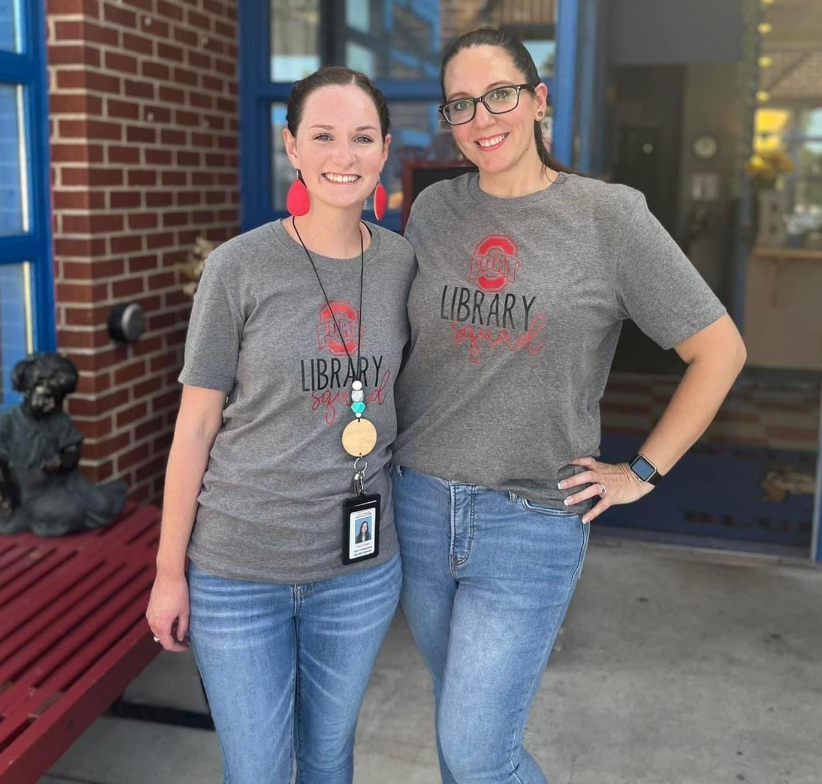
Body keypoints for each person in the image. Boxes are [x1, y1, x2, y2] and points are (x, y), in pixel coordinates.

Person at [391, 28, 747, 784]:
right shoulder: (431, 213)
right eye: (461, 103)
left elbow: (719, 351)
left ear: (537, 99)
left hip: (527, 523)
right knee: (457, 736)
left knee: (479, 756)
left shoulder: (607, 217)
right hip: (418, 505)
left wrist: (642, 472)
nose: (482, 117)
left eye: (500, 94)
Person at [146, 66, 416, 784]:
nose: (343, 155)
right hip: (239, 572)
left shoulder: (401, 264)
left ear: (384, 149)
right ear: (291, 146)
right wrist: (169, 573)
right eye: (323, 136)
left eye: (362, 138)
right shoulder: (238, 268)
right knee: (259, 770)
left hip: (356, 573)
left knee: (328, 760)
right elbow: (195, 429)